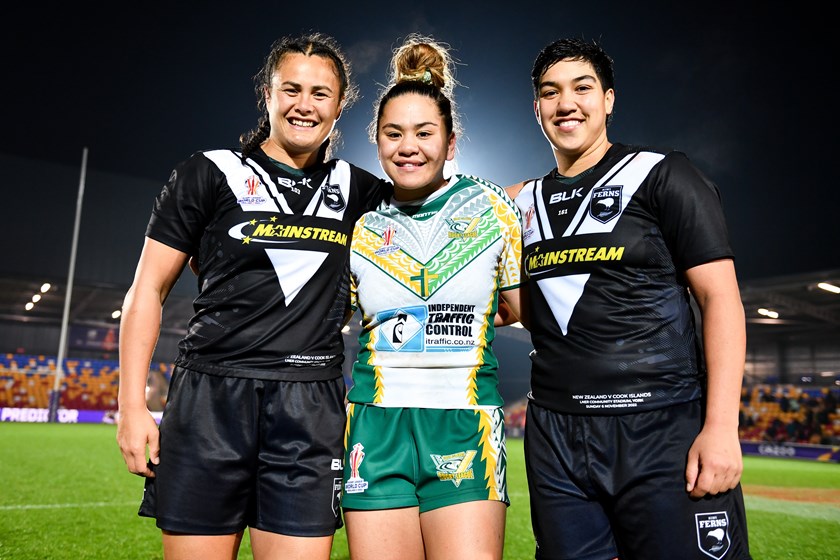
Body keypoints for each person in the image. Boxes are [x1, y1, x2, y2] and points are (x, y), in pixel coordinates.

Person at [116, 32, 388, 560]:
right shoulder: (209, 173)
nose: (303, 105)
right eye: (291, 89)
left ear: (340, 106)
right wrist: (131, 406)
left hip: (309, 408)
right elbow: (146, 289)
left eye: (320, 93)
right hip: (210, 401)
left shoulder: (362, 192)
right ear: (267, 94)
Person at [506, 37, 752, 559]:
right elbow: (529, 310)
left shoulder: (663, 174)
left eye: (582, 87)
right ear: (536, 108)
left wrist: (722, 426)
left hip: (661, 426)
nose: (565, 103)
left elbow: (721, 300)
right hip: (555, 433)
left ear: (609, 99)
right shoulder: (518, 204)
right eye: (550, 92)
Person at [341, 34, 523, 560]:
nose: (408, 146)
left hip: (464, 420)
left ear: (451, 139)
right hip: (375, 426)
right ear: (375, 140)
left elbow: (521, 308)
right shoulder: (361, 221)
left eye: (424, 132)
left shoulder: (492, 207)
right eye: (393, 133)